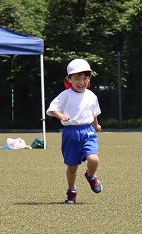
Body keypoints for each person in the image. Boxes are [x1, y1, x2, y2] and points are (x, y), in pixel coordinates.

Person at [46, 58, 103, 204]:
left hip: (88, 131)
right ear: (69, 79)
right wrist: (61, 115)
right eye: (77, 78)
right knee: (72, 167)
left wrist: (96, 125)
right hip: (71, 133)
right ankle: (71, 191)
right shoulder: (65, 95)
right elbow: (52, 109)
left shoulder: (91, 96)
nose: (81, 82)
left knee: (94, 159)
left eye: (85, 78)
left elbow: (94, 112)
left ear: (89, 79)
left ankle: (91, 176)